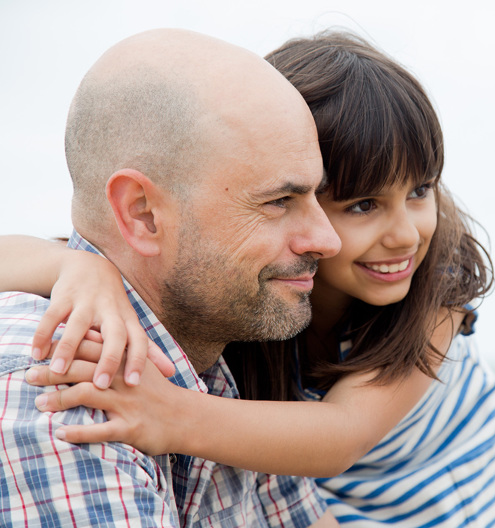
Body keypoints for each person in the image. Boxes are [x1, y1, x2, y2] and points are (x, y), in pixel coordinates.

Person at [3, 31, 495, 526]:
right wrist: (77, 266)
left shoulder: (433, 294)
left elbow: (342, 434)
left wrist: (174, 414)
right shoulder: (231, 317)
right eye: (361, 205)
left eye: (421, 190)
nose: (405, 235)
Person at [0, 28, 342, 527]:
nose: (326, 240)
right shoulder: (60, 391)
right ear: (143, 214)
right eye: (278, 202)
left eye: (317, 196)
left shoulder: (215, 374)